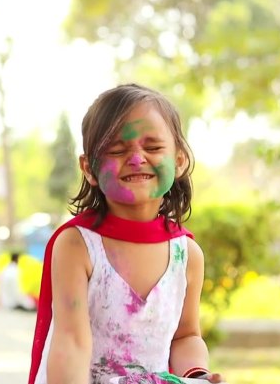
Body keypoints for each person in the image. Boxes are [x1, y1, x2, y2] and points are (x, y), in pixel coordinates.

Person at [28, 84, 225, 384]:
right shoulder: (78, 245)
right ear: (89, 169)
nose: (136, 159)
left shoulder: (186, 255)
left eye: (153, 147)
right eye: (117, 151)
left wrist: (196, 375)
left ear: (180, 160)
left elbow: (185, 336)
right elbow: (71, 344)